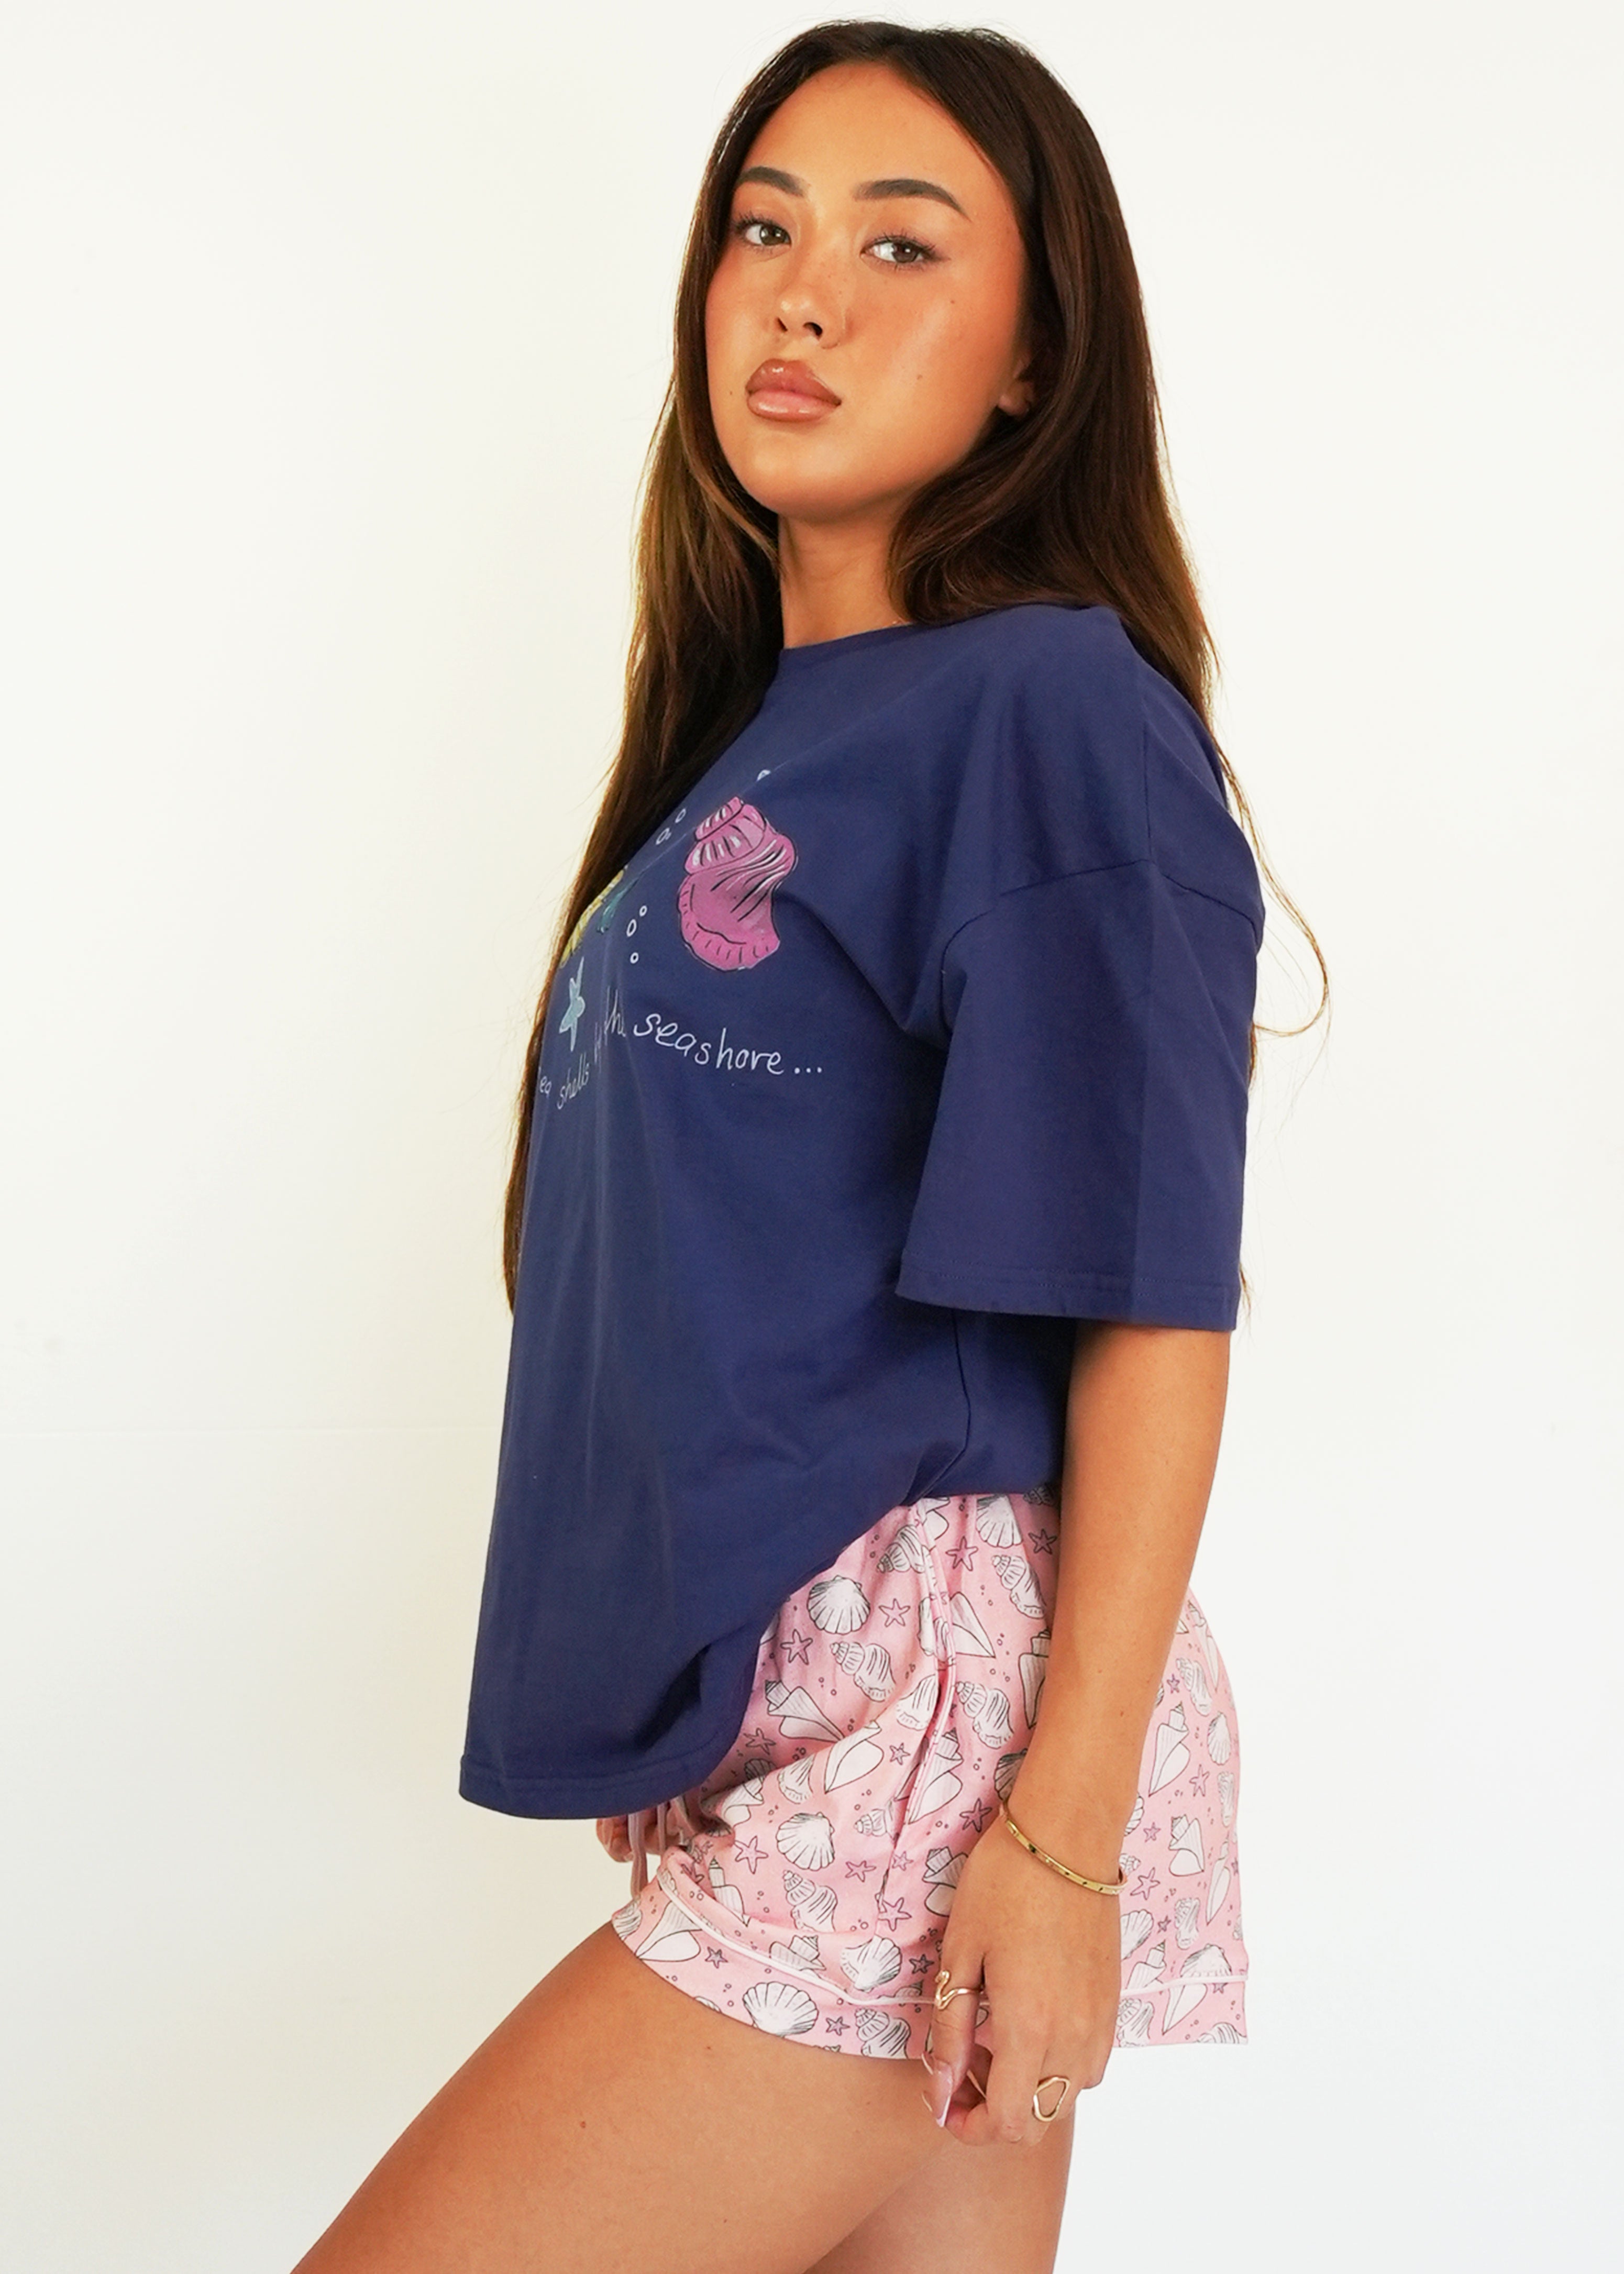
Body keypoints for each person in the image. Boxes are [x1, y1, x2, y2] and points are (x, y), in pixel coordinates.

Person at [294, 21, 1320, 2274]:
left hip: (935, 1719)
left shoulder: (1043, 708)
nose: (803, 294)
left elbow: (1150, 1299)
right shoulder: (759, 736)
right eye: (762, 228)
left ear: (1033, 356)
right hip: (816, 1717)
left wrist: (1057, 1843)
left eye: (899, 245)